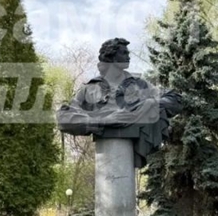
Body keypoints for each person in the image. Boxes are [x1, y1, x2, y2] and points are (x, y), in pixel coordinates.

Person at [56, 38, 182, 168]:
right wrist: (104, 121)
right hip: (105, 152)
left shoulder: (140, 85)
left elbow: (175, 99)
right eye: (124, 53)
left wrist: (149, 104)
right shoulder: (90, 89)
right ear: (111, 57)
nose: (129, 57)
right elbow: (64, 119)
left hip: (129, 148)